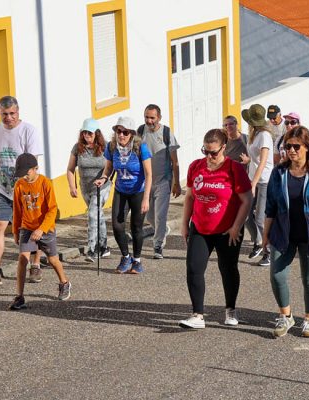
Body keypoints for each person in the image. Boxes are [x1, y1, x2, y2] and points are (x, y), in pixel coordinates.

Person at [178, 129, 253, 329]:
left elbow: (247, 200)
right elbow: (190, 197)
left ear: (224, 148)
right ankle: (197, 315)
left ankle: (230, 310)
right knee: (194, 268)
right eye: (206, 151)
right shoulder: (196, 167)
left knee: (227, 269)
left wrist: (236, 226)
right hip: (200, 227)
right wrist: (184, 224)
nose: (209, 156)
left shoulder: (234, 169)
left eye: (213, 153)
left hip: (227, 229)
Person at [263, 127, 309, 338]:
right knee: (277, 275)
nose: (291, 150)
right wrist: (265, 235)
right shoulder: (279, 172)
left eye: (296, 146)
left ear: (307, 147)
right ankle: (286, 316)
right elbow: (270, 207)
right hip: (282, 233)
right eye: (288, 146)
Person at [0, 96, 45, 286]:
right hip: (4, 189)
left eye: (12, 114)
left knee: (29, 230)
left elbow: (32, 164)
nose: (9, 118)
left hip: (26, 190)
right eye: (4, 114)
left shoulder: (28, 131)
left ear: (18, 112)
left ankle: (35, 265)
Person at [8, 153, 71, 310]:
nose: (24, 176)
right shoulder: (19, 185)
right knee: (23, 259)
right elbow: (17, 209)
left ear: (35, 168)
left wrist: (41, 229)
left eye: (27, 172)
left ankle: (64, 283)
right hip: (27, 228)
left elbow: (52, 210)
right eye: (21, 173)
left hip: (45, 228)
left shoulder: (45, 183)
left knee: (52, 260)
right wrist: (15, 230)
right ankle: (19, 296)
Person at [94, 117, 152, 274]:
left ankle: (137, 261)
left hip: (138, 192)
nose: (121, 135)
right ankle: (126, 257)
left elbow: (148, 174)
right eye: (118, 131)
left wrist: (146, 198)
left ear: (132, 133)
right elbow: (108, 168)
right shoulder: (112, 147)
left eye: (125, 132)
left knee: (136, 227)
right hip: (121, 191)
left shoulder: (141, 148)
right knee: (117, 225)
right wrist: (103, 179)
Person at [66, 118, 111, 261]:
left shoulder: (106, 148)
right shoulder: (77, 148)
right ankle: (104, 247)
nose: (87, 136)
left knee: (92, 214)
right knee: (98, 215)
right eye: (84, 133)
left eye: (90, 133)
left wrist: (103, 178)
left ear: (97, 134)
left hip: (102, 187)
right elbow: (70, 169)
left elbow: (111, 166)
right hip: (86, 189)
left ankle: (92, 249)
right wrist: (72, 186)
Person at [139, 104, 181, 259]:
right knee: (149, 216)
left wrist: (176, 183)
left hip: (163, 181)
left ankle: (158, 246)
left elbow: (175, 162)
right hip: (145, 182)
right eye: (146, 117)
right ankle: (162, 230)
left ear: (159, 118)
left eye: (152, 118)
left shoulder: (166, 133)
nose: (149, 121)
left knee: (159, 215)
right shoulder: (140, 131)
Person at [243, 104, 276, 267]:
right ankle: (258, 242)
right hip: (253, 179)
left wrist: (253, 183)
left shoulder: (264, 135)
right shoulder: (254, 134)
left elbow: (264, 162)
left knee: (261, 218)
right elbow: (256, 159)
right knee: (246, 215)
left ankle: (269, 251)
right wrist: (249, 162)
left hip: (264, 181)